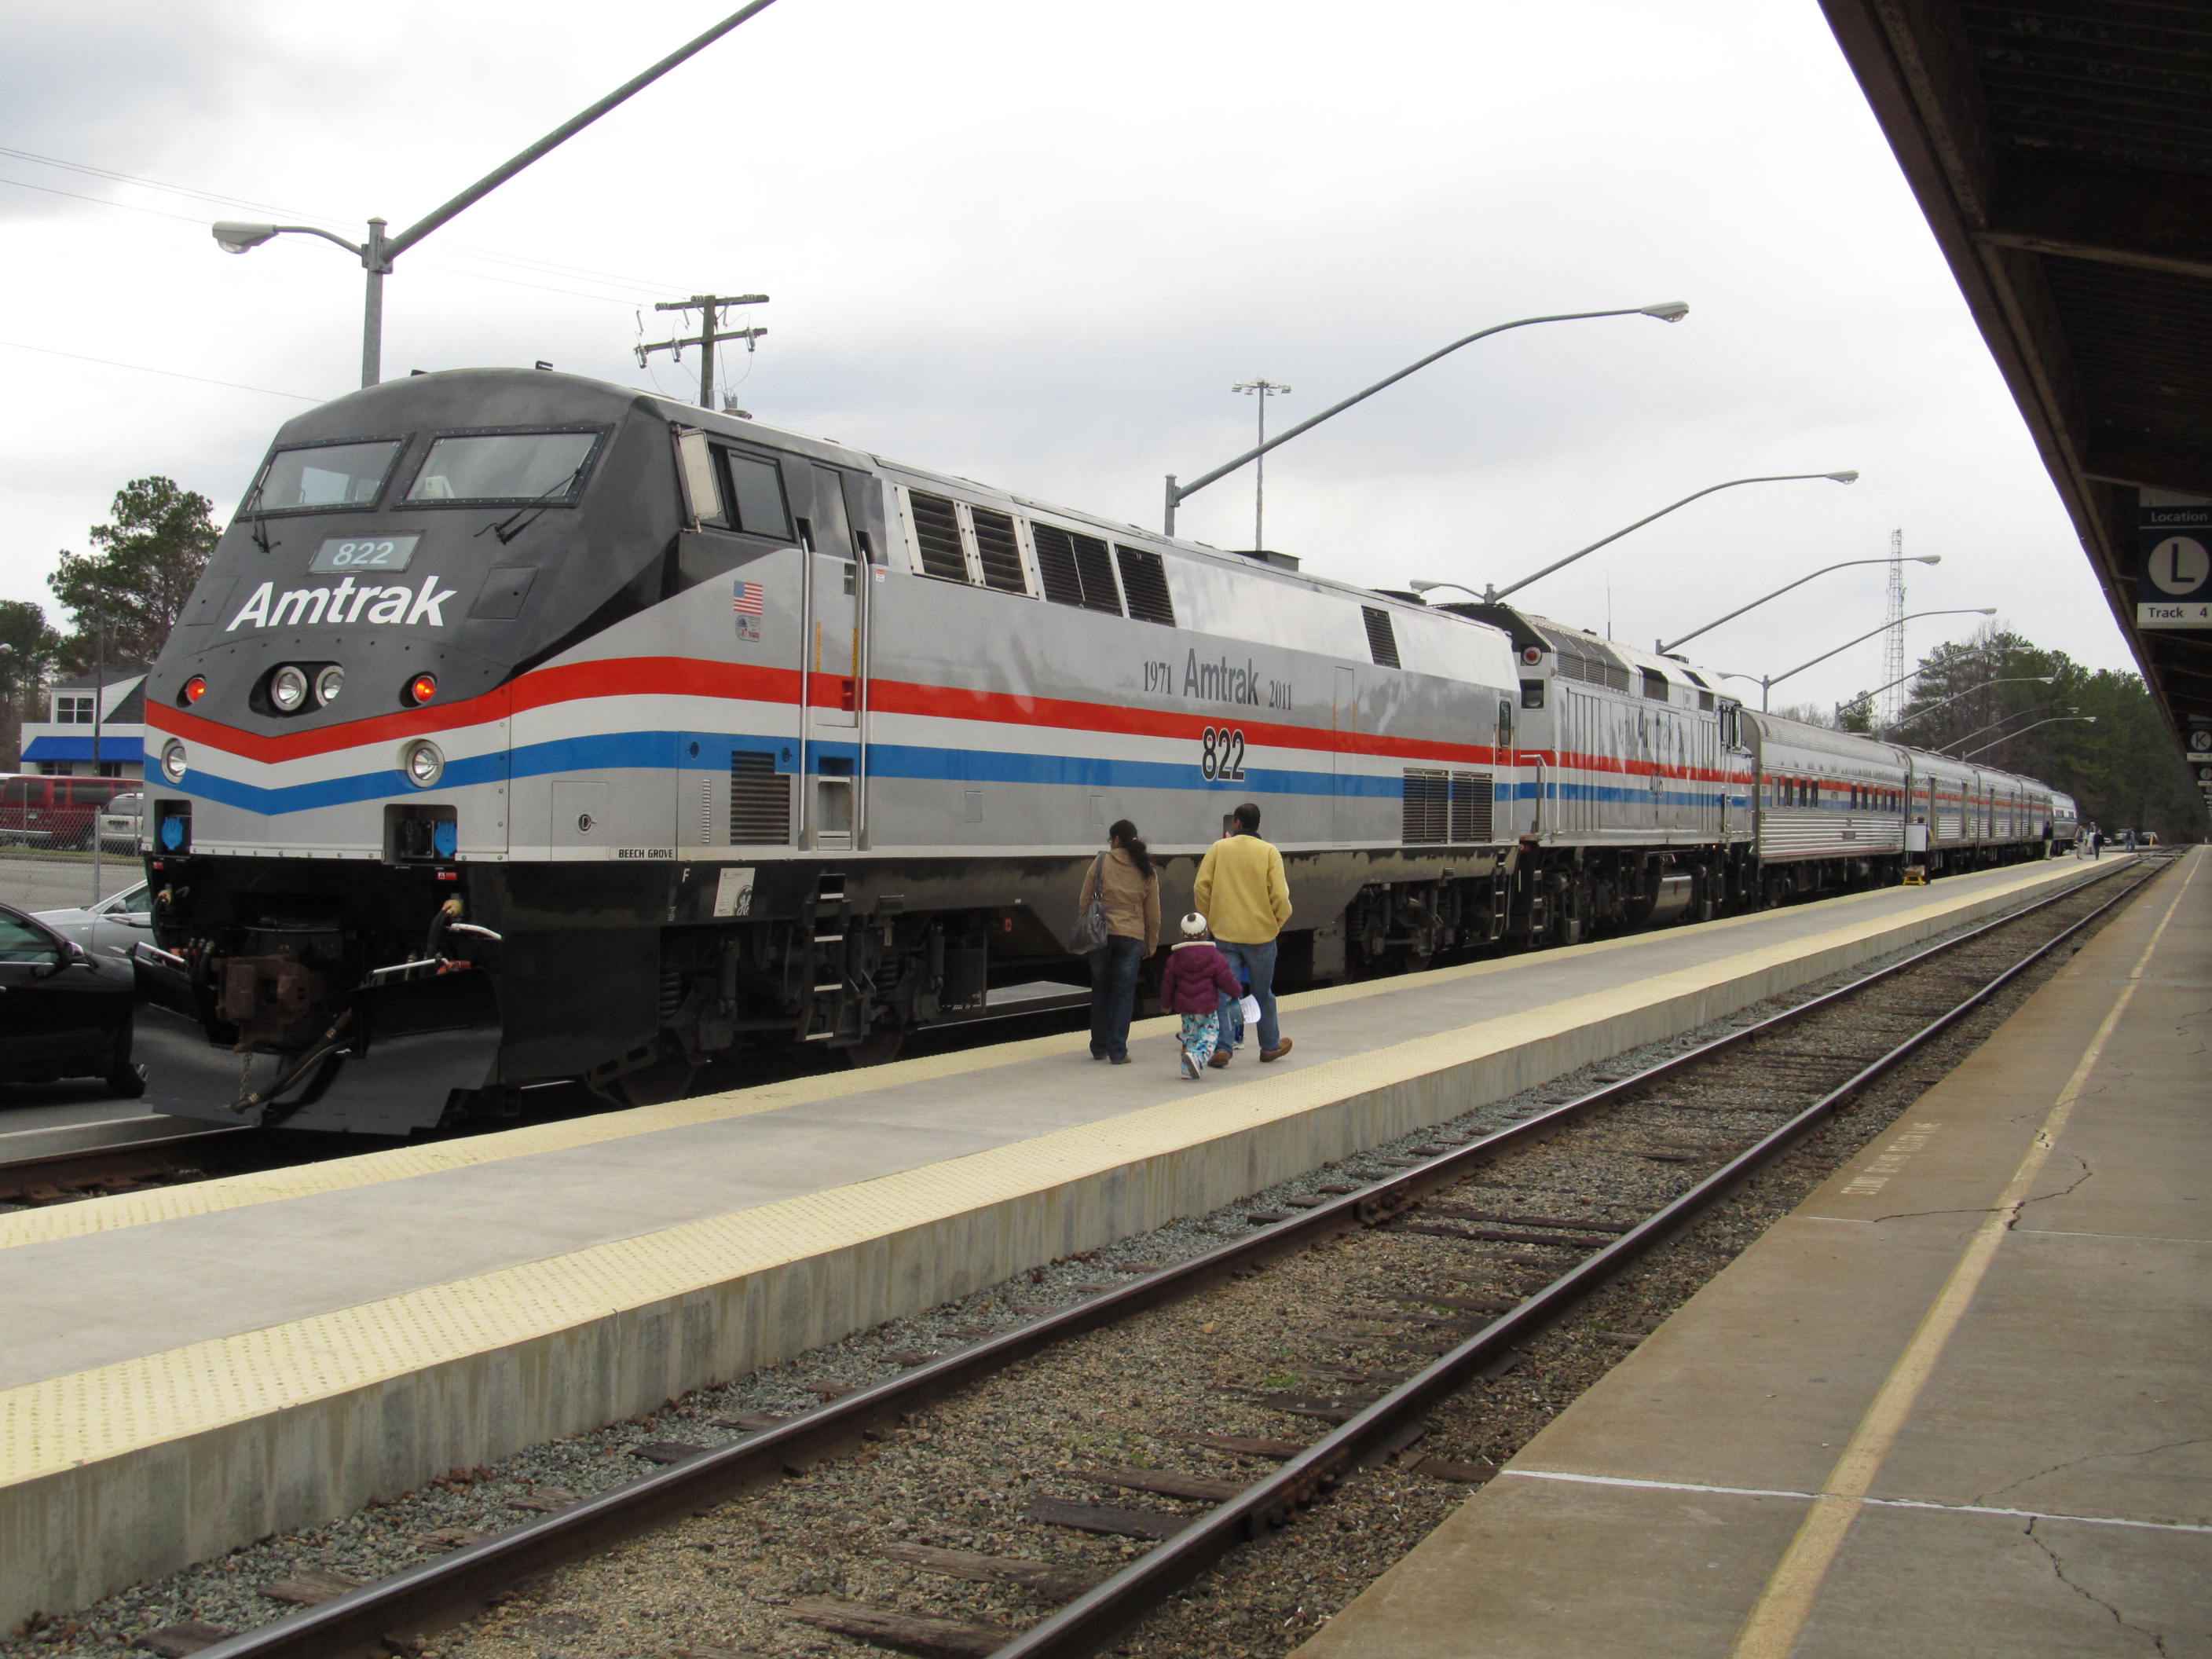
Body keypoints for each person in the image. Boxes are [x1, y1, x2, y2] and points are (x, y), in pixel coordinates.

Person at [1192, 800, 1294, 1065]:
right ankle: (1269, 1045)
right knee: (1263, 993)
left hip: (1225, 934)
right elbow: (1281, 896)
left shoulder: (1219, 849)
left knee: (1224, 993)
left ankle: (1223, 1048)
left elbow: (1201, 888)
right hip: (1261, 936)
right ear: (1258, 824)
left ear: (1236, 823)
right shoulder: (1269, 852)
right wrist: (1276, 923)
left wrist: (1211, 920)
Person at [1078, 819, 1159, 1064]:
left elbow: (1084, 901)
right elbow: (1153, 913)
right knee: (1123, 994)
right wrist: (1151, 943)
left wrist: (1086, 927)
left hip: (1102, 935)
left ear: (1115, 840)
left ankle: (1098, 1047)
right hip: (1131, 936)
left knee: (1101, 989)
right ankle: (1118, 1051)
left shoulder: (1101, 862)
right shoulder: (1146, 869)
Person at [1159, 912, 1243, 1079]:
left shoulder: (1175, 958)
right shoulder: (1214, 956)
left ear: (1182, 935)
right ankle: (1197, 1059)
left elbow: (1168, 984)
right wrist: (1237, 992)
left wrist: (1166, 1004)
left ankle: (1186, 1070)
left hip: (1186, 1008)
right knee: (1210, 1037)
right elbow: (1226, 979)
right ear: (1205, 933)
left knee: (1190, 1037)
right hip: (1207, 1007)